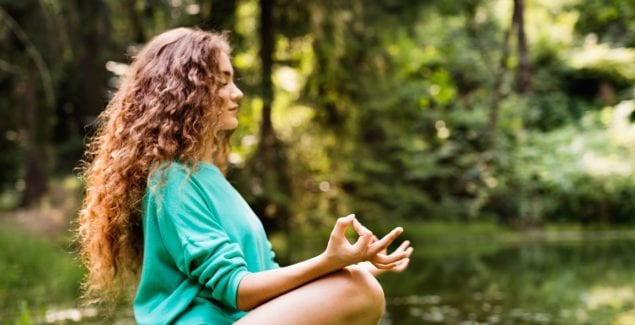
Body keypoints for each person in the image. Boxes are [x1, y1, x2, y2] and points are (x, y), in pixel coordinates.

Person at [77, 27, 413, 325]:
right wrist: (329, 263)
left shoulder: (207, 177)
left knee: (357, 283)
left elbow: (266, 279)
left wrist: (352, 264)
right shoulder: (171, 180)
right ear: (184, 93)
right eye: (222, 82)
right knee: (359, 291)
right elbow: (239, 291)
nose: (236, 93)